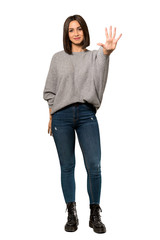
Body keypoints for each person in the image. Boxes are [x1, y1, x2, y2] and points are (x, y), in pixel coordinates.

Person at [43, 14, 122, 234]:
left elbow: (102, 65)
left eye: (79, 29)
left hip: (87, 114)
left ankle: (94, 213)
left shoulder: (93, 56)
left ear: (84, 31)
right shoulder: (58, 58)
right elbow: (50, 91)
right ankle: (71, 211)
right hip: (61, 117)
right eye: (71, 30)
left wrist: (107, 52)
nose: (76, 33)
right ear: (66, 34)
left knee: (94, 165)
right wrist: (51, 115)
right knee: (67, 166)